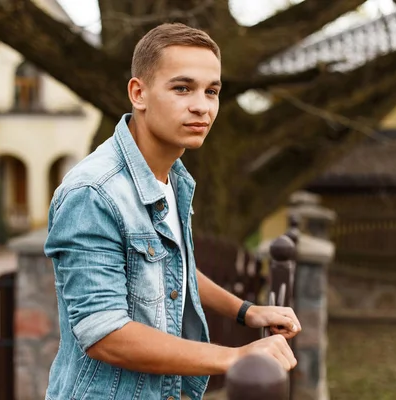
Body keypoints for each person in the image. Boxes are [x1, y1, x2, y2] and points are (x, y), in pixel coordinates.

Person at [44, 22, 301, 400]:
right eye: (182, 88)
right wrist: (234, 357)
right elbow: (105, 335)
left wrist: (246, 311)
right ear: (139, 93)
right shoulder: (93, 193)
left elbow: (171, 266)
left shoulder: (172, 176)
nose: (202, 105)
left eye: (211, 91)